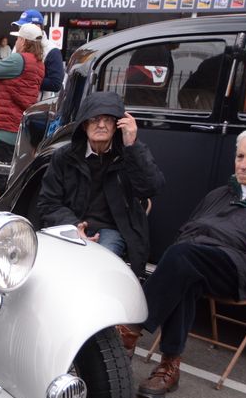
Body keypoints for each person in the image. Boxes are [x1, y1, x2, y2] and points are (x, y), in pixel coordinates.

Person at [117, 126, 246, 397]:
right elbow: (188, 230)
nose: (243, 165)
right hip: (199, 261)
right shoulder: (220, 194)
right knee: (186, 269)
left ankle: (130, 329)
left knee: (184, 258)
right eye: (239, 157)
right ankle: (169, 367)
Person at [36, 91, 164, 276]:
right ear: (84, 124)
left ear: (116, 126)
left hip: (112, 229)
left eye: (108, 120)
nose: (102, 125)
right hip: (72, 226)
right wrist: (74, 226)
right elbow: (48, 202)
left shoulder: (127, 154)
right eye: (95, 119)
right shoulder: (64, 157)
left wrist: (132, 145)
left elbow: (152, 187)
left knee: (98, 268)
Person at [0, 22, 45, 200]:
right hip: (17, 127)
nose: (17, 42)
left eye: (18, 38)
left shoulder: (19, 59)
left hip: (5, 127)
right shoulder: (38, 63)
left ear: (24, 40)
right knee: (9, 178)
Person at [10, 9, 63, 96]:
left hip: (36, 107)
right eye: (20, 27)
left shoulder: (52, 50)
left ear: (37, 27)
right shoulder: (19, 43)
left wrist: (24, 78)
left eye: (23, 27)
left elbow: (55, 84)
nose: (20, 30)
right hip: (14, 102)